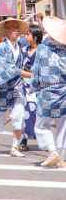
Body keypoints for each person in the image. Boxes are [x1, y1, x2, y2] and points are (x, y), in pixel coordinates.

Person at [0, 18, 31, 157]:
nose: (14, 30)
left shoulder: (21, 47)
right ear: (6, 31)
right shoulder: (1, 48)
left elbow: (23, 65)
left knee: (19, 114)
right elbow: (10, 69)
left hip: (17, 86)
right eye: (11, 28)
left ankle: (15, 147)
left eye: (16, 27)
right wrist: (29, 74)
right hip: (4, 86)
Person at [31, 16, 66, 168]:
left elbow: (36, 72)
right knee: (62, 126)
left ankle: (53, 152)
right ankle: (62, 158)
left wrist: (33, 87)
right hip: (64, 90)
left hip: (47, 91)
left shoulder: (42, 48)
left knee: (40, 125)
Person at [19, 23, 43, 151]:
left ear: (35, 37)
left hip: (37, 88)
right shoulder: (23, 50)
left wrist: (27, 73)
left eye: (28, 34)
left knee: (33, 113)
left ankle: (43, 140)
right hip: (23, 86)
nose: (25, 36)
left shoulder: (42, 52)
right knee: (22, 113)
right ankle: (23, 139)